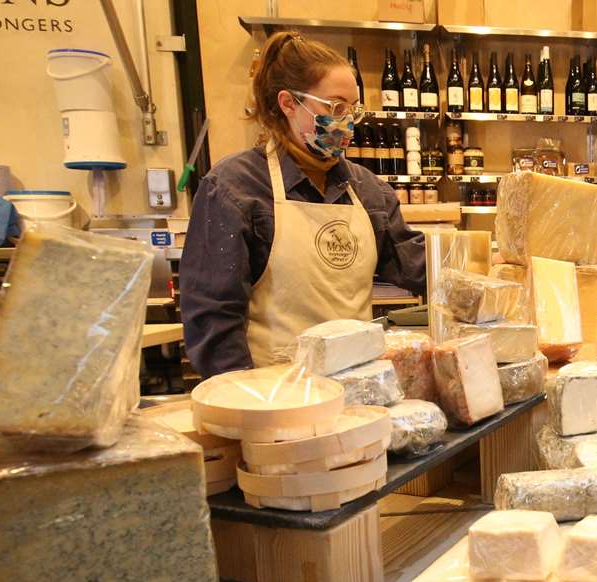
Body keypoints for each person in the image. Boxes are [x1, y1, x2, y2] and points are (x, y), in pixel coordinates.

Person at [181, 32, 425, 376]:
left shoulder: (368, 191)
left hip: (357, 389)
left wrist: (499, 267)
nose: (348, 122)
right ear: (289, 103)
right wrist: (246, 401)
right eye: (335, 107)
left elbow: (416, 266)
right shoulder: (235, 188)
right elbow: (212, 318)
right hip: (274, 394)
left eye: (353, 109)